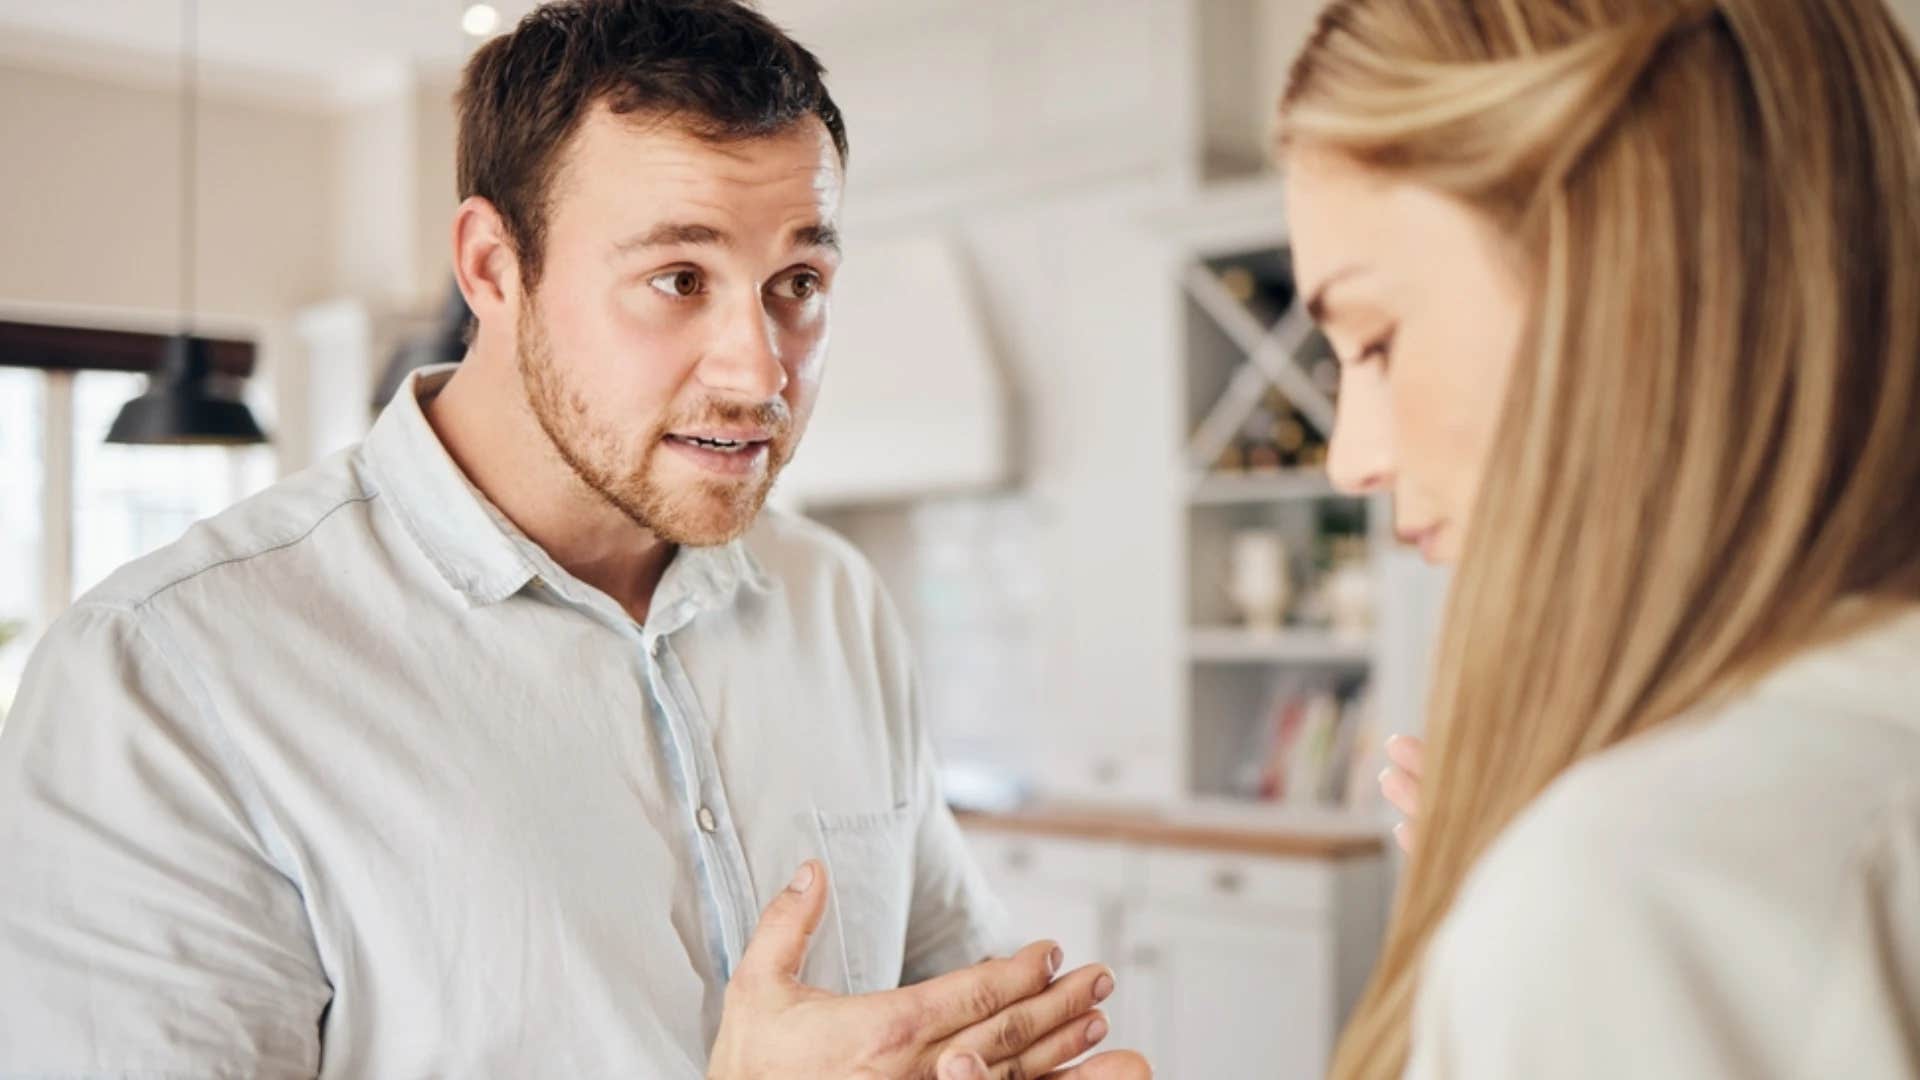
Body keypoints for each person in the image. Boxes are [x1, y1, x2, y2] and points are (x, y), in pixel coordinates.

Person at [0, 3, 1148, 1078]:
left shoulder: (834, 599)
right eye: (678, 277)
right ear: (496, 269)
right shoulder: (162, 681)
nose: (759, 372)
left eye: (798, 280)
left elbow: (946, 1003)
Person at [1277, 0, 1920, 1076]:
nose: (1349, 459)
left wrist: (1546, 914)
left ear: (1622, 266)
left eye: (1376, 340)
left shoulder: (1623, 898)